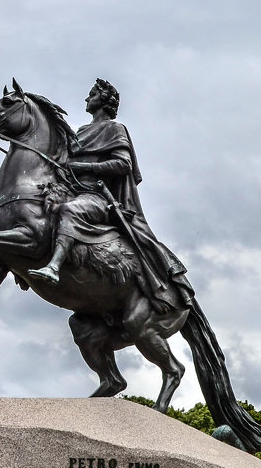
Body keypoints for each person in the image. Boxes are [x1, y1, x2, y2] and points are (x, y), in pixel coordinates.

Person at [29, 80, 188, 308]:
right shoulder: (81, 132)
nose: (86, 99)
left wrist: (86, 168)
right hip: (71, 189)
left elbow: (123, 164)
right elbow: (59, 164)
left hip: (96, 196)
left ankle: (54, 266)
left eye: (91, 94)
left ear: (104, 101)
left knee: (69, 210)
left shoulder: (115, 129)